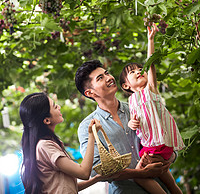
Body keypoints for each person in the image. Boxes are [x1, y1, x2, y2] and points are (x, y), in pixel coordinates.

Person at [75, 60, 174, 194]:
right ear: (90, 93)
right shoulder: (88, 126)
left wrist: (168, 158)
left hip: (163, 186)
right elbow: (95, 169)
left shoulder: (139, 106)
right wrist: (140, 173)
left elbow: (167, 135)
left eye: (107, 73)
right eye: (100, 78)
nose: (109, 78)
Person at [119, 23, 185, 194]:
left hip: (157, 144)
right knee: (169, 181)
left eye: (140, 69)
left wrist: (151, 39)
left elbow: (151, 63)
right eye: (132, 72)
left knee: (140, 175)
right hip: (155, 145)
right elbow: (136, 122)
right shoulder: (133, 101)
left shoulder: (150, 90)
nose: (139, 72)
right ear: (126, 85)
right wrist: (131, 124)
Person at [19, 92, 103, 194]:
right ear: (46, 120)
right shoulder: (45, 146)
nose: (59, 107)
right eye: (54, 107)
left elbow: (67, 187)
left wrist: (97, 179)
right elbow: (84, 173)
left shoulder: (46, 144)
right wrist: (91, 135)